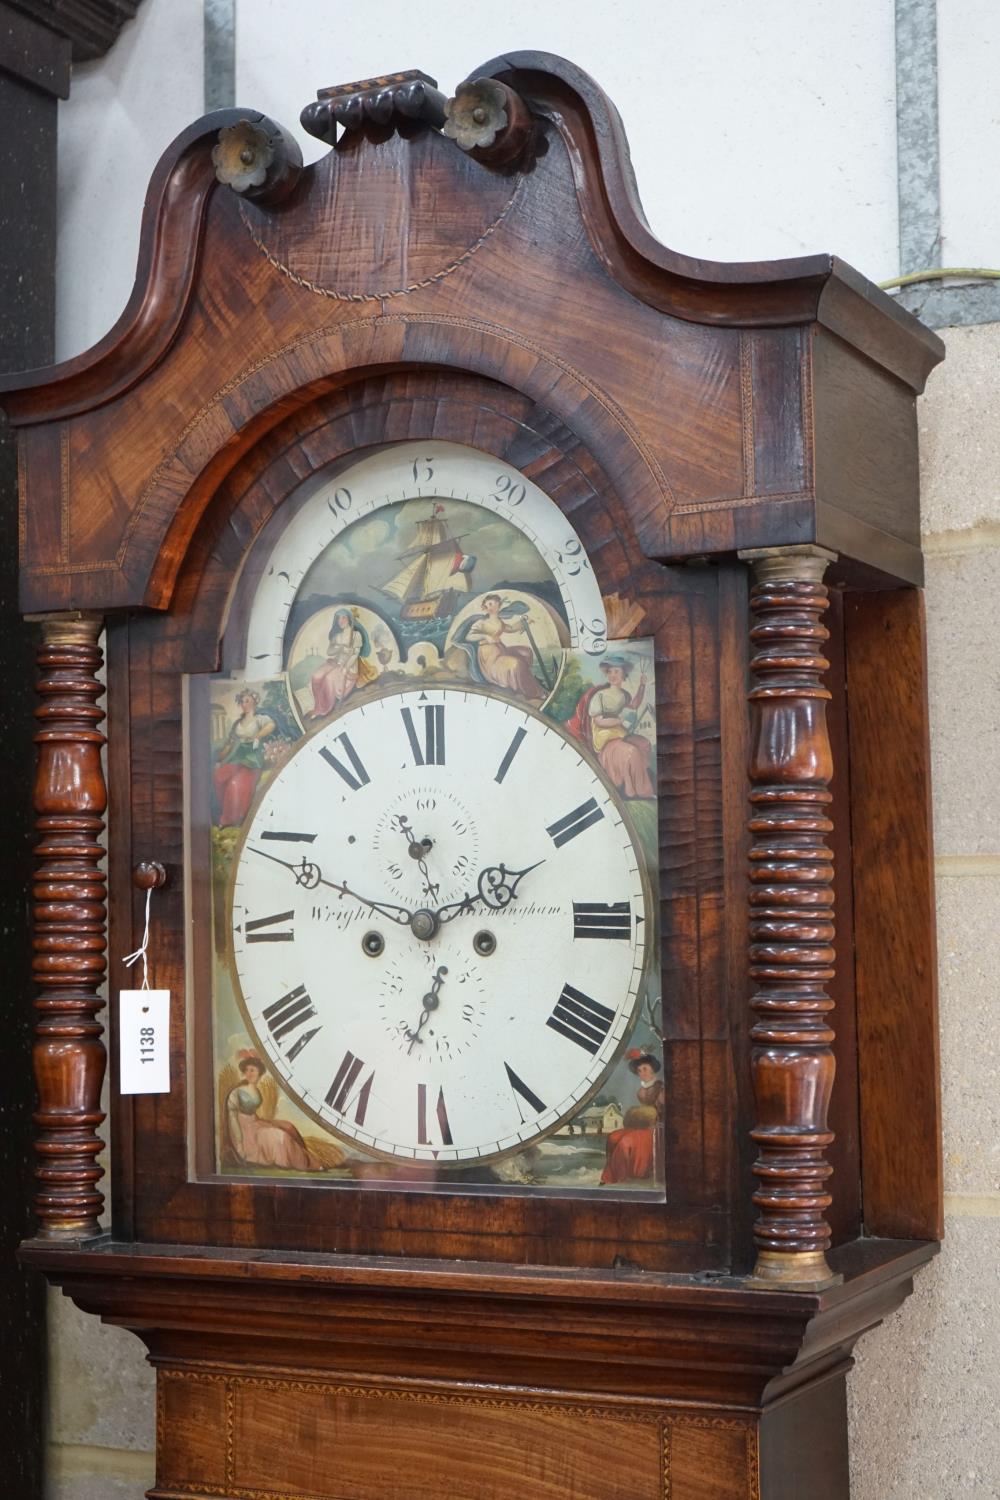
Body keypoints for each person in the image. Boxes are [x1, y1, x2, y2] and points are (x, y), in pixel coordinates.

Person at [567, 654, 654, 799]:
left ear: (623, 674)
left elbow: (634, 705)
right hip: (603, 735)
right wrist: (619, 721)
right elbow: (599, 721)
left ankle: (641, 787)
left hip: (619, 732)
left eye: (616, 671)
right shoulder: (600, 695)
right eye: (610, 672)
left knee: (644, 744)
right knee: (631, 752)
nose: (613, 675)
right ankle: (630, 791)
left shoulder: (624, 695)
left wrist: (642, 685)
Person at [225, 1054, 315, 1171]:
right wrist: (239, 1143)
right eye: (247, 1070)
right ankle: (286, 1163)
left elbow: (254, 1114)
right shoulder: (237, 1092)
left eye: (252, 1070)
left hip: (255, 1123)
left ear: (259, 1073)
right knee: (280, 1136)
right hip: (243, 1130)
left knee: (288, 1127)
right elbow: (232, 1117)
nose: (249, 1073)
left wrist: (262, 1122)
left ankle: (305, 1160)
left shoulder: (257, 1091)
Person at [461, 593, 546, 703]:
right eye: (487, 605)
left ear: (498, 605)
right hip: (489, 658)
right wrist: (484, 636)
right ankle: (534, 692)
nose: (489, 607)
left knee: (526, 652)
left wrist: (523, 621)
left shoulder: (499, 621)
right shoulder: (481, 623)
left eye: (491, 604)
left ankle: (522, 680)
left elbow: (510, 628)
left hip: (501, 651)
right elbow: (469, 637)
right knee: (515, 664)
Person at [212, 690, 275, 827]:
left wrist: (257, 736)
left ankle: (229, 820)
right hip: (236, 757)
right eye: (242, 702)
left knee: (236, 785)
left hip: (252, 760)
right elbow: (230, 743)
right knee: (218, 777)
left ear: (254, 701)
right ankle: (224, 811)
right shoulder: (237, 723)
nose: (244, 704)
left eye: (247, 701)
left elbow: (271, 725)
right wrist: (219, 758)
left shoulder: (260, 719)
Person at [600, 1050, 664, 1184]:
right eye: (639, 1071)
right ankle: (611, 1175)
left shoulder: (661, 1088)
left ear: (653, 1070)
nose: (642, 1073)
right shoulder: (641, 1091)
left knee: (626, 1142)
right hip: (643, 1125)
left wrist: (649, 1116)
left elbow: (662, 1113)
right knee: (613, 1137)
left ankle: (622, 1177)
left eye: (645, 1069)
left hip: (658, 1127)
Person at [308, 608, 376, 719]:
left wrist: (346, 667)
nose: (341, 621)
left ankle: (325, 709)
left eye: (343, 618)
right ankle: (318, 706)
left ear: (349, 619)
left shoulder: (356, 635)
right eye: (339, 618)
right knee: (316, 676)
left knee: (329, 679)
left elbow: (355, 654)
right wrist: (339, 648)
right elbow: (329, 652)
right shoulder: (337, 636)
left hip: (350, 666)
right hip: (336, 662)